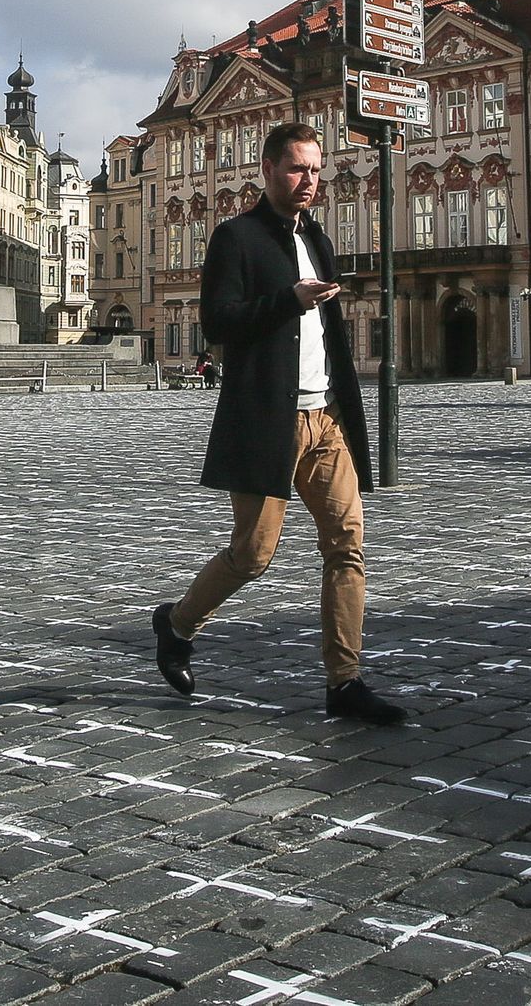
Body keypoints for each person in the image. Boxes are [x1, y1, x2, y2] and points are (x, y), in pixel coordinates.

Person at [151, 122, 404, 724]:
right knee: (254, 554)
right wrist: (289, 298)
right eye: (297, 168)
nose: (309, 180)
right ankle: (178, 623)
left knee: (348, 545)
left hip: (326, 421)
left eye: (316, 170)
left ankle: (345, 682)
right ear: (266, 170)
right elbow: (220, 322)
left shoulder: (317, 237)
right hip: (268, 418)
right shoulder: (235, 237)